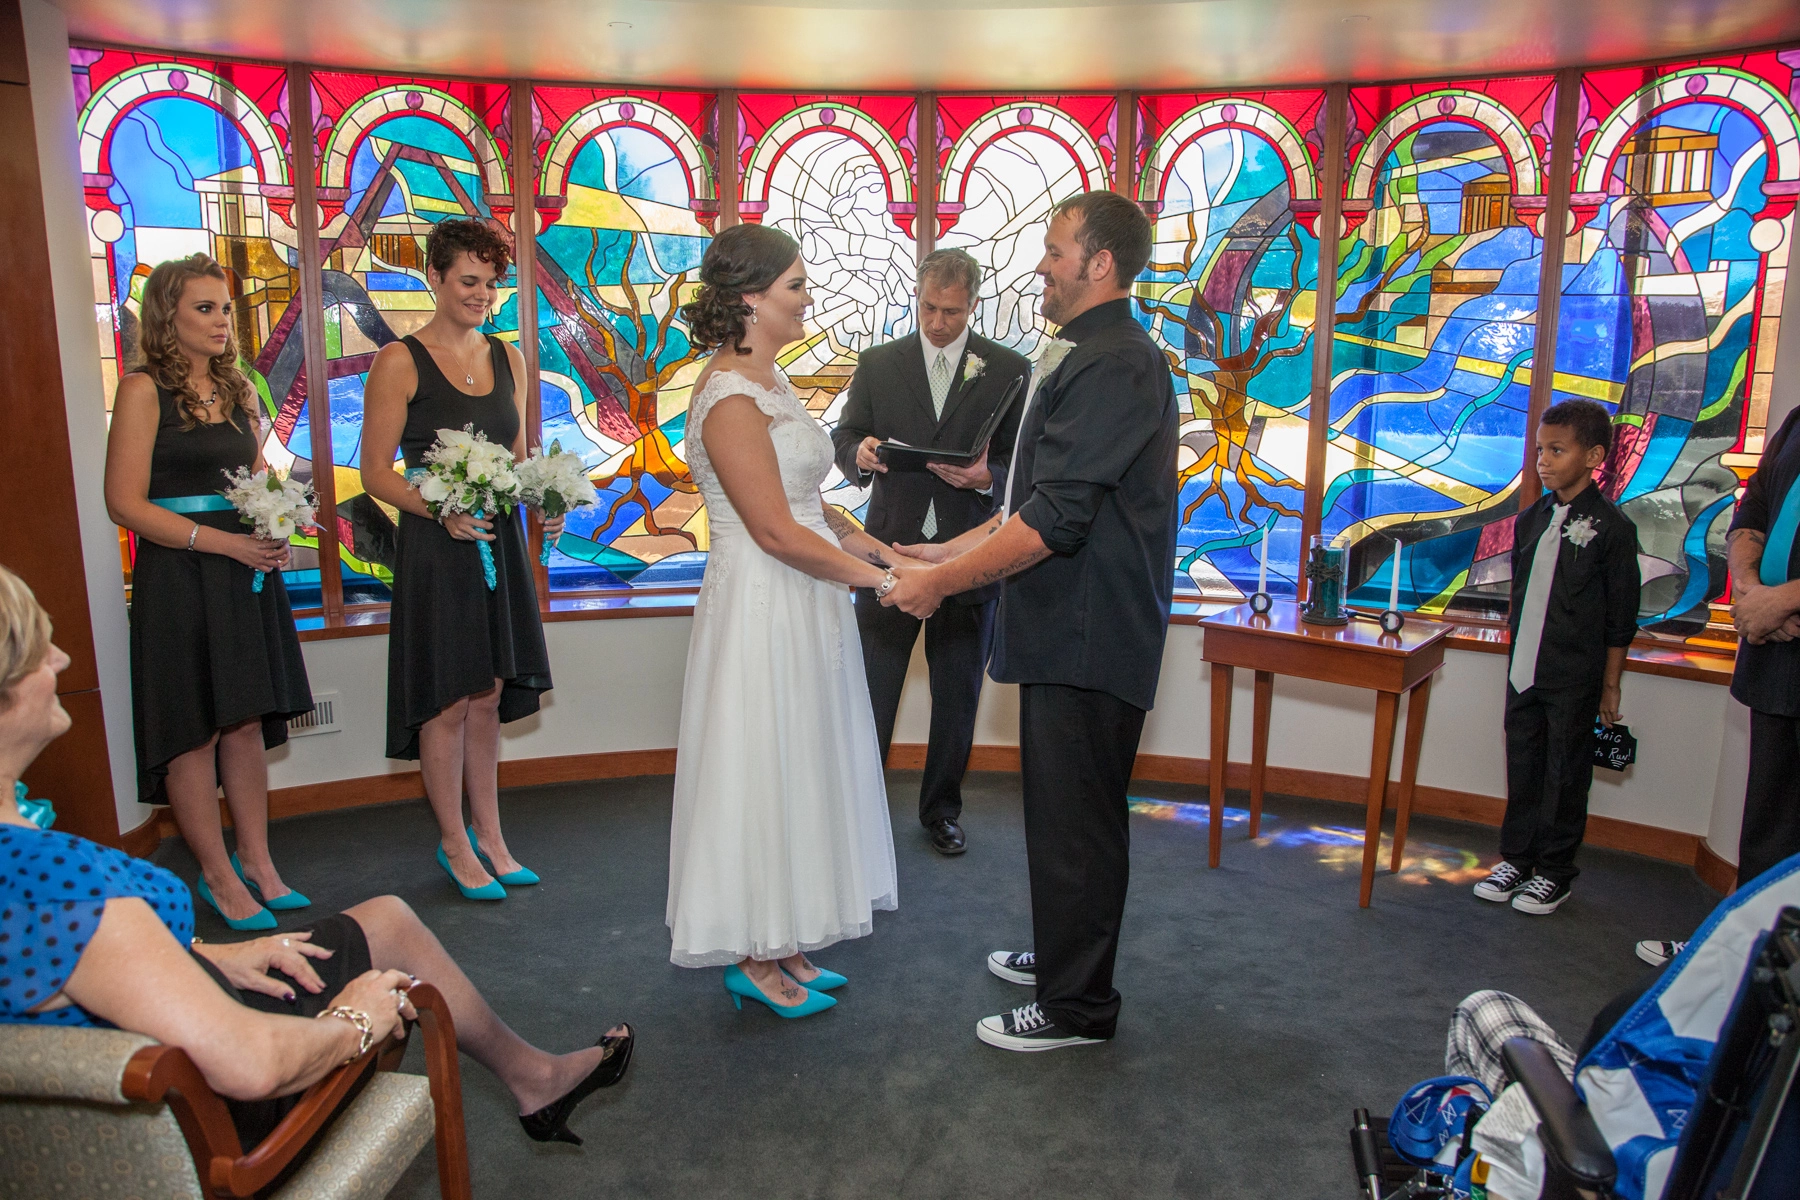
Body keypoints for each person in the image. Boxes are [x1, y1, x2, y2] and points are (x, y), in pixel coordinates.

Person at [0, 565, 632, 1151]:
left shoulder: (28, 862)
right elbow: (253, 1065)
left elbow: (59, 956)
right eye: (38, 652)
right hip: (196, 1114)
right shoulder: (55, 882)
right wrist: (356, 1020)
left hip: (141, 1040)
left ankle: (534, 1077)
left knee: (385, 919)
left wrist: (211, 952)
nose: (61, 658)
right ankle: (536, 1079)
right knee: (388, 961)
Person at [883, 191, 1178, 1052]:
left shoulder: (1118, 360)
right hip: (1067, 627)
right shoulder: (1090, 352)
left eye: (1055, 251)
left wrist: (940, 586)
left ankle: (1077, 1008)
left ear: (1100, 264)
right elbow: (1031, 499)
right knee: (1061, 816)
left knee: (1079, 825)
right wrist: (939, 558)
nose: (1041, 265)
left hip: (1092, 633)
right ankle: (1062, 959)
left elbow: (1058, 520)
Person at [665, 223, 910, 1018]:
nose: (809, 299)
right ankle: (752, 954)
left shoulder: (771, 382)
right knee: (762, 762)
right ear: (750, 299)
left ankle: (787, 941)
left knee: (802, 757)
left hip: (806, 593)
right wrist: (878, 583)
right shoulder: (729, 396)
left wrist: (864, 540)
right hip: (763, 599)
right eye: (797, 286)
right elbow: (770, 528)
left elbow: (804, 501)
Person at [102, 254, 314, 932]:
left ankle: (259, 861)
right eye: (205, 308)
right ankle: (217, 876)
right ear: (169, 317)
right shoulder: (141, 391)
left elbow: (255, 475)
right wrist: (223, 542)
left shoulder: (240, 390)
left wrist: (278, 521)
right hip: (180, 573)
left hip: (243, 572)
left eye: (225, 308)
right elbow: (124, 503)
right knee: (193, 731)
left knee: (246, 720)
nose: (222, 320)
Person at [360, 219, 560, 901]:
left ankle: (493, 836)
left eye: (491, 282)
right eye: (468, 281)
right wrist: (438, 510)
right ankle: (454, 843)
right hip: (436, 544)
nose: (482, 294)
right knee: (448, 700)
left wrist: (545, 497)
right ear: (436, 279)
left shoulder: (509, 358)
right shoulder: (399, 361)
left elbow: (521, 455)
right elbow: (375, 476)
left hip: (498, 540)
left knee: (491, 691)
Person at [829, 249, 1030, 856]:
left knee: (958, 694)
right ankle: (859, 811)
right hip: (887, 550)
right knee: (874, 686)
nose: (938, 322)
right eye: (929, 309)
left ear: (974, 304)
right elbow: (845, 434)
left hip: (972, 558)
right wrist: (857, 454)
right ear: (917, 298)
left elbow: (1024, 465)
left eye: (952, 311)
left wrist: (987, 479)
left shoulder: (1008, 367)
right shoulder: (879, 362)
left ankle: (941, 810)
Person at [1637, 401, 1800, 968]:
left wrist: (1785, 598)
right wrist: (1753, 591)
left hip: (1783, 620)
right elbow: (1751, 513)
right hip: (1778, 657)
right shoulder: (1797, 423)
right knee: (1768, 827)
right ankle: (1731, 959)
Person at [1473, 400, 1641, 917]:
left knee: (1566, 774)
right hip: (1523, 672)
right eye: (1540, 449)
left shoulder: (1612, 528)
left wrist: (1610, 686)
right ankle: (1517, 859)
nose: (1543, 460)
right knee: (1523, 765)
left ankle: (1554, 871)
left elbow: (1620, 617)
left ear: (1593, 456)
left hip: (1574, 675)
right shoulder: (1531, 520)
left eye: (1557, 450)